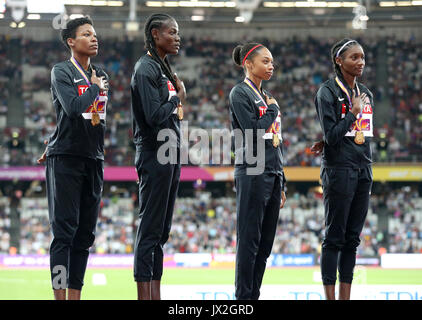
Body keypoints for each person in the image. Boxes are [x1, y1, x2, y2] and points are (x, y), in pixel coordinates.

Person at [37, 16, 109, 300]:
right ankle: (59, 296)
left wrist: (96, 87)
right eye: (87, 34)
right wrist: (93, 87)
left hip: (93, 159)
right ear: (71, 41)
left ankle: (75, 297)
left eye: (95, 34)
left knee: (84, 237)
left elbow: (95, 119)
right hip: (66, 159)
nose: (94, 38)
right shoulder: (61, 71)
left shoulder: (101, 73)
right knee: (63, 234)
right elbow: (71, 108)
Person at [130, 13, 186, 300]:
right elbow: (153, 116)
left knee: (162, 232)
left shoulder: (162, 68)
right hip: (154, 153)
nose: (177, 38)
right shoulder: (146, 68)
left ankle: (155, 293)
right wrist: (177, 97)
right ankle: (144, 295)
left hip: (170, 153)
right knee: (151, 229)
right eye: (172, 32)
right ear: (155, 34)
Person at [313, 38, 374, 300]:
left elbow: (361, 134)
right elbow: (334, 136)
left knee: (352, 240)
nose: (360, 62)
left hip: (363, 169)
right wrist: (352, 113)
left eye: (362, 57)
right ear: (339, 61)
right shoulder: (327, 92)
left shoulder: (366, 94)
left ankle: (345, 297)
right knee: (334, 238)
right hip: (339, 170)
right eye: (354, 57)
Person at [229, 43, 287, 300]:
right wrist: (273, 112)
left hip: (273, 173)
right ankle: (243, 298)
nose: (271, 66)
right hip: (252, 171)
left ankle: (254, 296)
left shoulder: (267, 96)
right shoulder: (240, 93)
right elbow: (253, 130)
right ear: (248, 64)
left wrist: (282, 182)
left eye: (272, 61)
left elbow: (278, 140)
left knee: (264, 245)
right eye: (265, 61)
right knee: (249, 242)